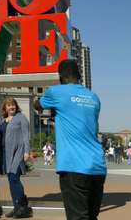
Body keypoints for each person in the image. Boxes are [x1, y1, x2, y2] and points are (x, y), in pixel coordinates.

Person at [34, 59, 107, 220]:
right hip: (97, 166)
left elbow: (37, 105)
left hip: (75, 166)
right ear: (79, 75)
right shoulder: (93, 97)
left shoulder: (57, 92)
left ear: (61, 77)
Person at [0, 97, 33, 218]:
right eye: (8, 105)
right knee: (10, 180)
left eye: (13, 105)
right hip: (6, 153)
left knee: (14, 178)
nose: (11, 107)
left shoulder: (21, 117)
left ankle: (23, 207)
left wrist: (26, 152)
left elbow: (26, 135)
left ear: (16, 106)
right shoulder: (2, 120)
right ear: (5, 108)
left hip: (18, 152)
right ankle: (16, 207)